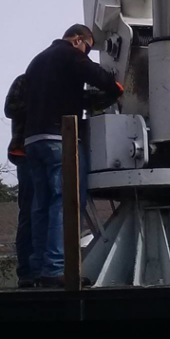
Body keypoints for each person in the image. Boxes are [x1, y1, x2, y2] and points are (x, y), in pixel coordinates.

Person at [24, 24, 122, 287]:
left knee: (41, 204)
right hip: (60, 138)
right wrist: (115, 87)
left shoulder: (37, 60)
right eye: (88, 48)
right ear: (78, 40)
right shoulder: (69, 54)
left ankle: (39, 268)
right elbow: (96, 75)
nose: (87, 53)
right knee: (66, 201)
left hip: (33, 140)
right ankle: (56, 268)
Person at [4, 72, 35, 288]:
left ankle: (46, 269)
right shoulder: (26, 80)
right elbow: (10, 108)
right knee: (30, 213)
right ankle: (27, 273)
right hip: (26, 152)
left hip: (58, 154)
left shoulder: (62, 82)